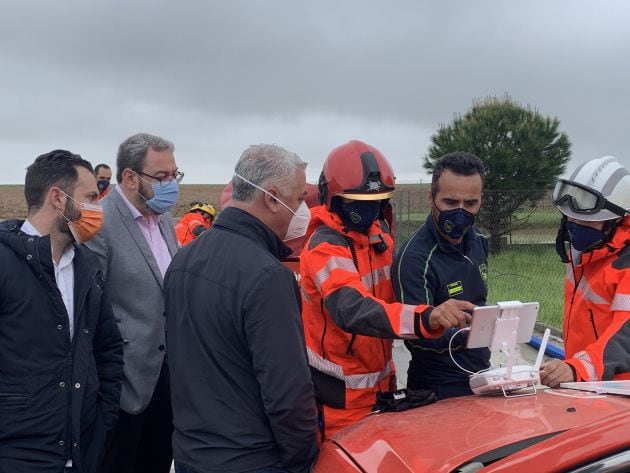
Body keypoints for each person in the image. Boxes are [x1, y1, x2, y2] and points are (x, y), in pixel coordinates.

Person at [300, 140, 474, 438]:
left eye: (377, 201)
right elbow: (352, 309)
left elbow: (394, 300)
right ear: (334, 199)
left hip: (382, 390)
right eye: (359, 202)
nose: (369, 211)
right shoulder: (325, 248)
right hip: (338, 400)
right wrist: (426, 318)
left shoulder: (378, 237)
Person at [165, 144, 319, 473]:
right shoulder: (268, 277)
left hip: (191, 453)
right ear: (272, 198)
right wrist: (302, 460)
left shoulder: (184, 259)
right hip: (250, 459)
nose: (302, 209)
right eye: (299, 198)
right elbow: (288, 393)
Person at [0, 150, 123, 473]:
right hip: (18, 457)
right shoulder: (4, 263)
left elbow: (107, 348)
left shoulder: (86, 267)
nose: (98, 208)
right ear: (58, 197)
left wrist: (102, 420)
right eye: (91, 197)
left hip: (81, 454)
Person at [85, 133, 181, 473]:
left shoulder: (163, 218)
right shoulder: (99, 224)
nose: (171, 185)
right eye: (162, 177)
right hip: (124, 386)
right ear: (129, 178)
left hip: (167, 380)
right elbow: (89, 309)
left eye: (175, 175)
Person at [392, 152, 490, 400]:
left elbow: (479, 301)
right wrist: (480, 331)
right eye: (449, 202)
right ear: (431, 198)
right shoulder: (414, 259)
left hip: (482, 375)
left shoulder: (478, 241)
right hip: (437, 387)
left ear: (480, 200)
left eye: (470, 204)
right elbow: (414, 337)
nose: (460, 213)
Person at [541, 155, 630, 387]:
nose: (576, 227)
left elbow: (626, 335)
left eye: (586, 222)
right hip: (585, 383)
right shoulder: (584, 254)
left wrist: (578, 367)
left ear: (616, 220)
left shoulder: (625, 266)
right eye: (572, 220)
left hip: (618, 393)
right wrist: (574, 367)